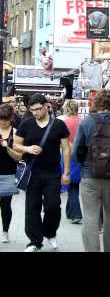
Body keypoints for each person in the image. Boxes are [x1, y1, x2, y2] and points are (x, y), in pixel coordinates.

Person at [72, 89, 110, 252]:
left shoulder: (87, 122)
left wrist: (85, 165)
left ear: (96, 103)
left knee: (90, 218)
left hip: (90, 177)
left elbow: (77, 150)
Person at [13, 93, 71, 252]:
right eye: (33, 110)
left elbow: (66, 149)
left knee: (53, 206)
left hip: (53, 172)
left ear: (46, 106)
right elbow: (16, 144)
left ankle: (50, 232)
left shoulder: (58, 125)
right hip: (33, 172)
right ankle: (34, 241)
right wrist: (27, 148)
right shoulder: (26, 124)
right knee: (32, 207)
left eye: (39, 109)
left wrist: (66, 172)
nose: (36, 113)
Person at [0, 104, 22, 243]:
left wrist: (6, 147)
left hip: (8, 174)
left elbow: (19, 157)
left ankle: (5, 231)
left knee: (5, 205)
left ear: (10, 118)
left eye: (5, 119)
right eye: (0, 119)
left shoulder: (16, 133)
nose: (2, 122)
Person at [58, 100, 83, 224]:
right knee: (75, 183)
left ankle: (75, 213)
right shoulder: (82, 121)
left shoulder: (64, 122)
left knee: (71, 184)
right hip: (81, 155)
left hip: (69, 154)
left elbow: (62, 142)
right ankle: (70, 211)